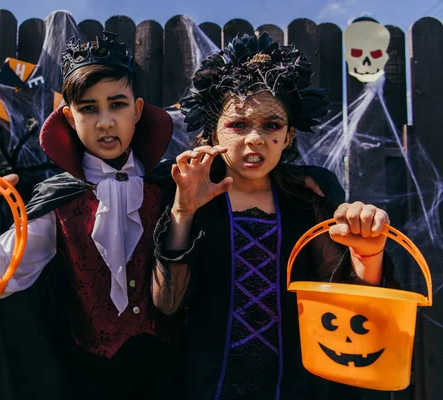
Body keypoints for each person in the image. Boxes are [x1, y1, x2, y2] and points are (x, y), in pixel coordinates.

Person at [0, 32, 181, 400]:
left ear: (137, 110)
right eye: (89, 108)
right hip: (83, 380)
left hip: (169, 377)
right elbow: (1, 274)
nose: (105, 121)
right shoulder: (56, 202)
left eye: (116, 104)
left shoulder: (172, 186)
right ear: (70, 118)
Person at [151, 33, 398, 400]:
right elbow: (167, 304)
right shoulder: (186, 191)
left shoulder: (308, 197)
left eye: (271, 125)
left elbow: (348, 306)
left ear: (289, 135)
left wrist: (369, 255)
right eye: (238, 125)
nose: (255, 139)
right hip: (208, 384)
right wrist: (184, 213)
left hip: (297, 385)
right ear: (214, 130)